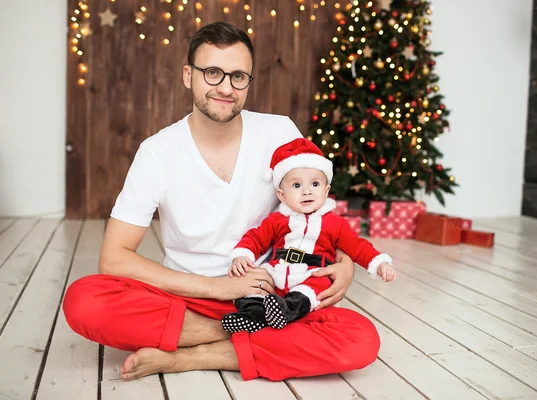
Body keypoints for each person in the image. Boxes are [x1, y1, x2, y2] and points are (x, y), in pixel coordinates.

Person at [62, 21, 380, 382]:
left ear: (248, 81)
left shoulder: (279, 133)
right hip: (188, 297)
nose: (226, 88)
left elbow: (317, 213)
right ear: (188, 75)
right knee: (83, 300)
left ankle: (188, 357)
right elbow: (114, 257)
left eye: (238, 76)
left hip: (271, 295)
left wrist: (345, 262)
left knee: (361, 339)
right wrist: (218, 288)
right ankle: (236, 335)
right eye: (212, 73)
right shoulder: (157, 152)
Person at [222, 138, 396, 333]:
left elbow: (357, 246)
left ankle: (285, 310)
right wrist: (242, 256)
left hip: (313, 273)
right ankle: (252, 316)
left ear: (326, 190)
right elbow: (256, 238)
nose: (307, 191)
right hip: (278, 270)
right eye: (297, 186)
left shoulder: (335, 223)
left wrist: (380, 263)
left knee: (317, 287)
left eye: (315, 184)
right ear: (281, 195)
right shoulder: (277, 220)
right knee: (252, 286)